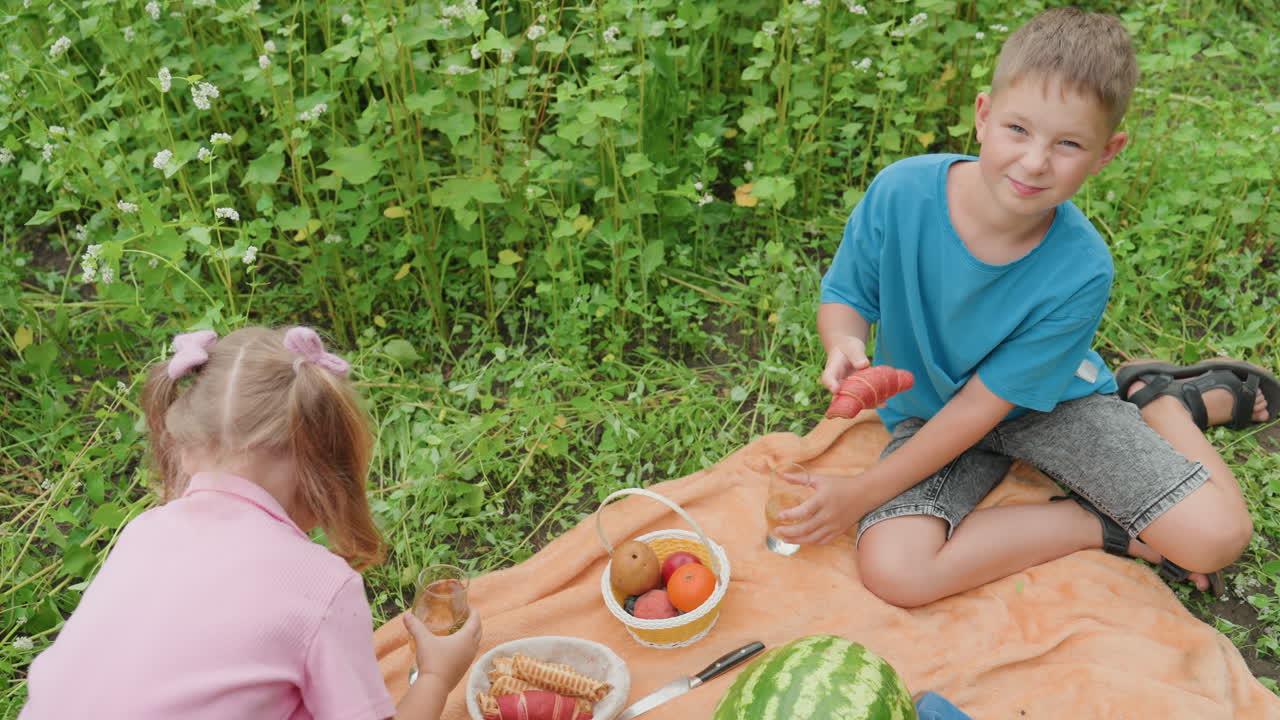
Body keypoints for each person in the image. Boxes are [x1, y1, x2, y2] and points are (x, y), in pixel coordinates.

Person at [774, 7, 1280, 607]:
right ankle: (1102, 527)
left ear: (1107, 152)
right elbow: (847, 297)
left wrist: (857, 495)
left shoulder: (1082, 267)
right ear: (983, 116)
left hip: (1051, 407)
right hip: (928, 416)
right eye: (1018, 129)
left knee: (1216, 538)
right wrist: (844, 340)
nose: (1035, 161)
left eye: (1067, 143)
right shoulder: (902, 192)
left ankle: (1161, 402)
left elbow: (982, 410)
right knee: (896, 573)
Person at [20, 327, 481, 719]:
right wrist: (437, 674)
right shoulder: (322, 586)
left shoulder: (141, 533)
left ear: (180, 445)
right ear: (327, 465)